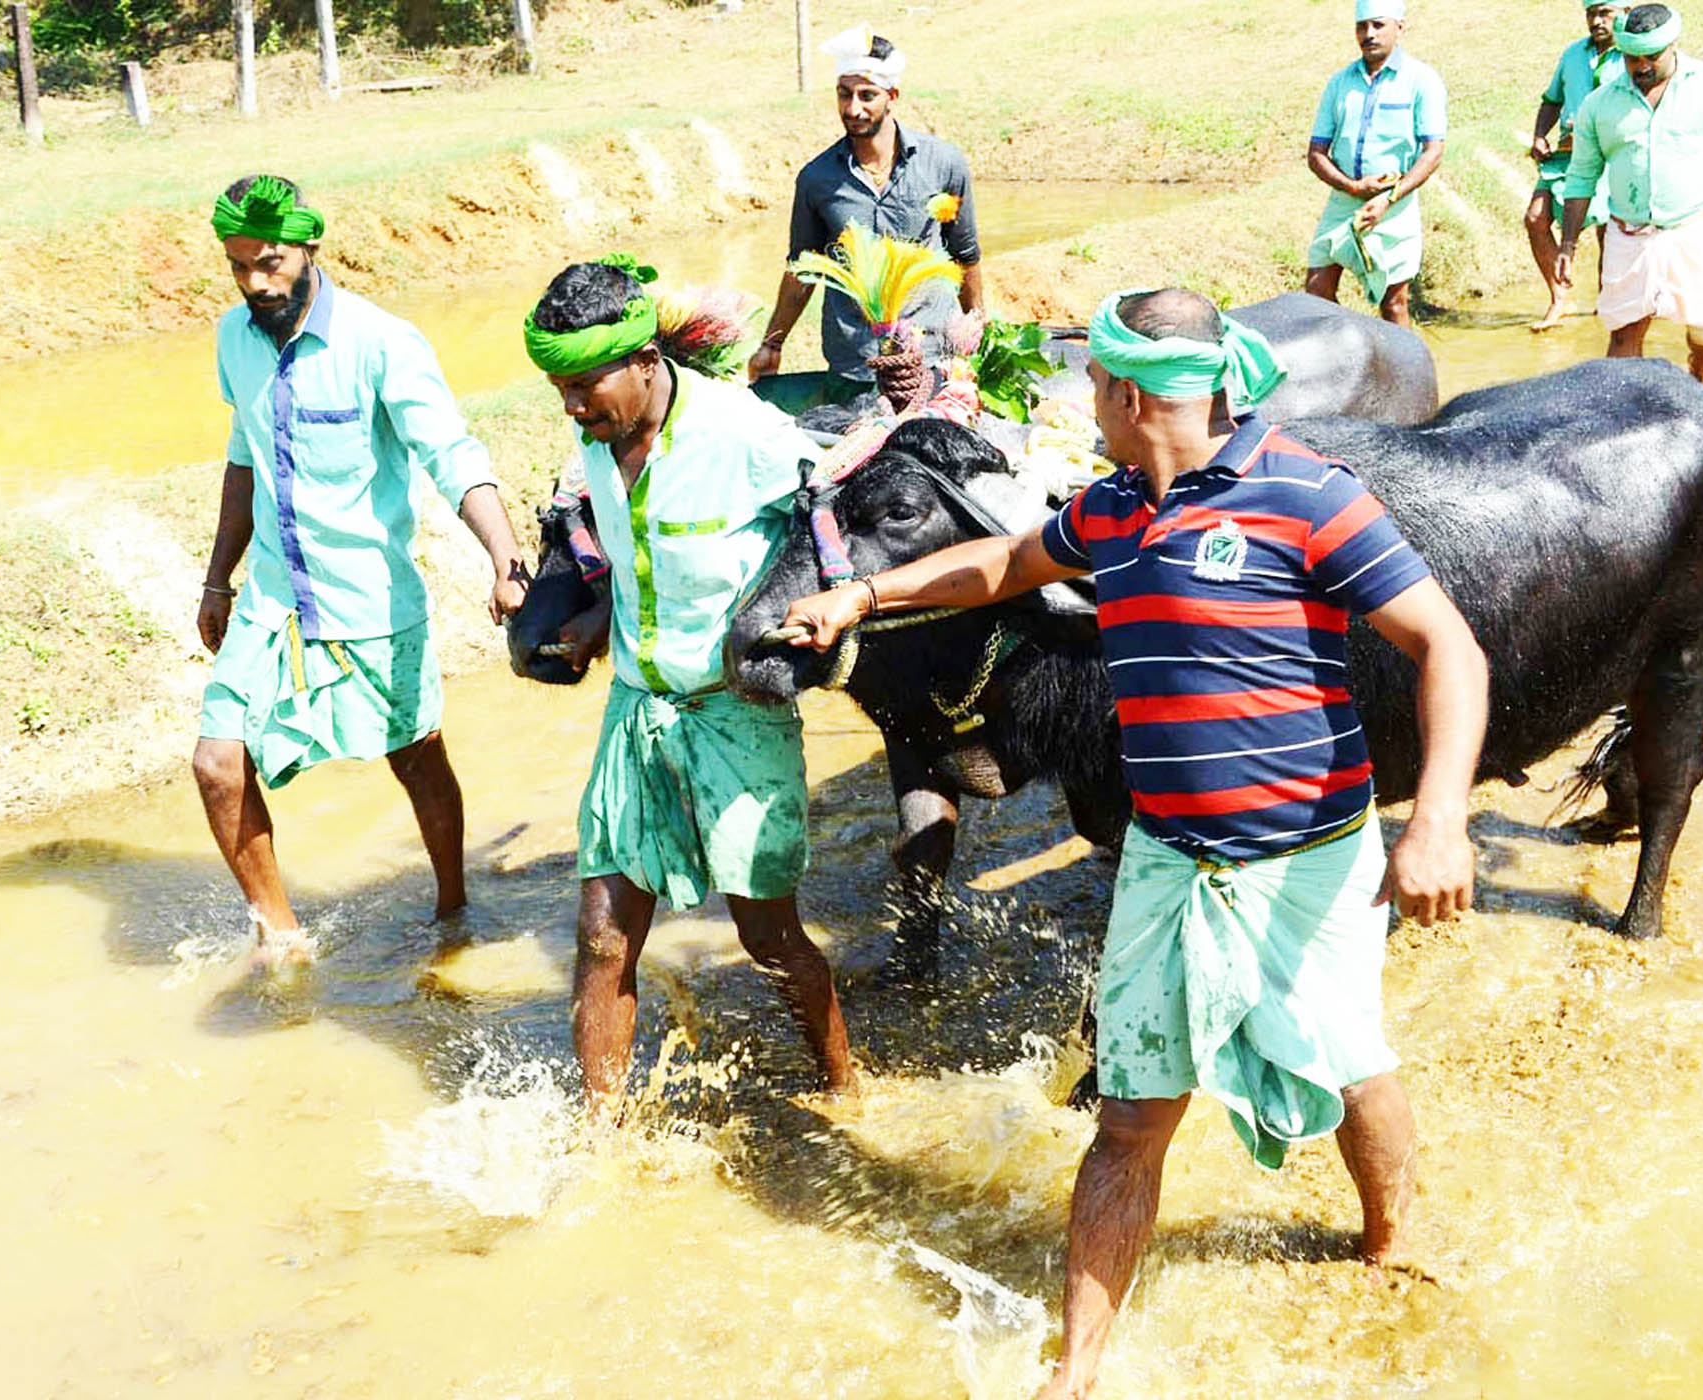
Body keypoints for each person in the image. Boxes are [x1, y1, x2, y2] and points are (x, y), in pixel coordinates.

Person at [778, 288, 1487, 1400]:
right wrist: (862, 592)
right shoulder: (1111, 510)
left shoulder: (1308, 495)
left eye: (1091, 390)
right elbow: (1004, 566)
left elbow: (1450, 644)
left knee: (1349, 1064)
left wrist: (1438, 815)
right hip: (1167, 857)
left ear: (1124, 391)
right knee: (1130, 1118)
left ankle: (1390, 1239)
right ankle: (1078, 1370)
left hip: (1307, 858)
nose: (1085, 407)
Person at [525, 258, 861, 1112]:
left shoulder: (742, 433)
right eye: (558, 388)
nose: (571, 408)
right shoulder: (597, 430)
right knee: (603, 939)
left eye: (582, 386)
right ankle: (601, 1141)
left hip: (733, 716)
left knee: (768, 933)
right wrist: (600, 618)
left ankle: (845, 1090)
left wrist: (816, 618)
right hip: (637, 707)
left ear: (644, 360)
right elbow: (630, 542)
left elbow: (827, 529)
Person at [194, 174, 529, 970]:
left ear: (310, 246)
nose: (255, 283)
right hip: (275, 597)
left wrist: (506, 558)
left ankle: (453, 909)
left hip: (370, 600)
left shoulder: (382, 341)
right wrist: (217, 579)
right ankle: (283, 939)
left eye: (269, 262)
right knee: (216, 762)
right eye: (239, 267)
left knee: (416, 757)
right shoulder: (234, 339)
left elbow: (451, 455)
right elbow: (243, 458)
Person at [747, 25, 984, 406]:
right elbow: (802, 271)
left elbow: (965, 253)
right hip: (854, 364)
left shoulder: (944, 164)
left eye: (866, 95)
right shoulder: (817, 179)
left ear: (892, 96)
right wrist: (772, 345)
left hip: (931, 358)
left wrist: (976, 327)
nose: (853, 108)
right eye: (844, 94)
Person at [1556, 4, 1703, 384]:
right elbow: (1581, 177)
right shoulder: (1599, 105)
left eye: (1652, 57)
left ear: (1673, 46)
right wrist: (1568, 244)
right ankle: (1623, 424)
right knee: (1624, 333)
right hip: (1629, 234)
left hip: (1694, 228)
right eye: (1632, 58)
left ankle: (1700, 366)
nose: (1641, 66)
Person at [1303, 0, 1448, 328]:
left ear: (1400, 27)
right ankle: (1354, 352)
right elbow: (1316, 153)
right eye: (1361, 26)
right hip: (1344, 201)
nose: (1368, 34)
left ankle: (1407, 377)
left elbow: (1433, 152)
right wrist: (1352, 186)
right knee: (1315, 293)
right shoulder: (1339, 83)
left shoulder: (1421, 80)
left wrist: (1388, 197)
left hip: (1394, 203)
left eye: (1378, 25)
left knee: (1394, 302)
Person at [1524, 1, 1627, 331]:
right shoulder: (1572, 55)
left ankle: (1607, 302)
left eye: (1605, 13)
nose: (1597, 21)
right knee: (1536, 218)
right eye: (1591, 13)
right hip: (1567, 154)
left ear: (1625, 11)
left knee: (1608, 230)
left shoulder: (1633, 55)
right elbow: (1552, 99)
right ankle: (1561, 298)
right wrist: (1540, 135)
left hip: (1611, 153)